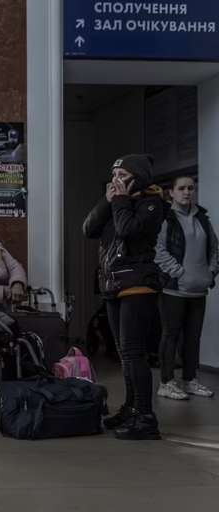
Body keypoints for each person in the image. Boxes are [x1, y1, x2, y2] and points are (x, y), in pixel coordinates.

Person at [83, 154, 165, 440]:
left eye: (122, 176)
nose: (116, 181)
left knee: (134, 353)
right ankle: (131, 408)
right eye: (114, 175)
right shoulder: (117, 202)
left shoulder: (152, 203)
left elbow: (128, 230)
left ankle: (146, 417)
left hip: (137, 284)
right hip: (113, 284)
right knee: (123, 354)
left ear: (138, 178)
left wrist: (119, 202)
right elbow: (89, 228)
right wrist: (108, 200)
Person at [154, 176, 218, 400]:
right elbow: (158, 251)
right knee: (170, 336)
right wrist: (179, 273)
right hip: (173, 290)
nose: (187, 192)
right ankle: (166, 382)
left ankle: (190, 380)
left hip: (199, 290)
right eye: (181, 188)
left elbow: (214, 248)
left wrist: (209, 273)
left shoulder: (202, 217)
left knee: (193, 337)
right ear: (171, 192)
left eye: (191, 188)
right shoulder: (166, 219)